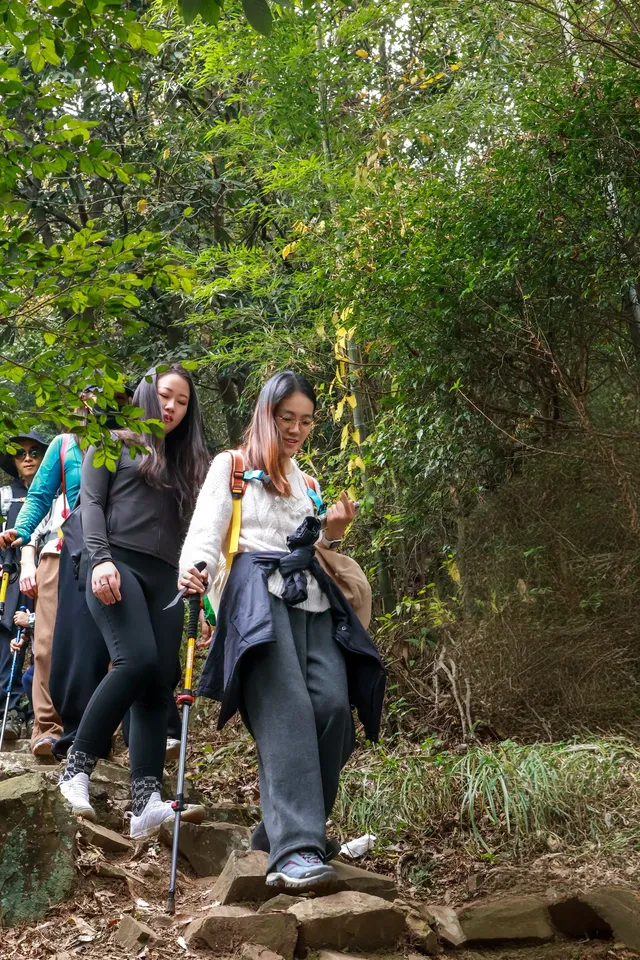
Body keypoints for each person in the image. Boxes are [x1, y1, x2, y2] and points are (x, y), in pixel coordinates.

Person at [178, 371, 386, 891]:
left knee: (334, 710)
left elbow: (314, 548)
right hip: (254, 602)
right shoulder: (233, 467)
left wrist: (332, 533)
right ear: (266, 415)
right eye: (286, 417)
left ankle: (283, 829)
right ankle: (295, 852)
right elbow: (206, 530)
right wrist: (196, 570)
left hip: (312, 604)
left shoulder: (308, 482)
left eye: (305, 421)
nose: (295, 429)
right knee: (287, 709)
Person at [57, 363, 210, 839]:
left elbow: (198, 535)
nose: (172, 408)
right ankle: (76, 769)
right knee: (136, 659)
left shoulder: (188, 464)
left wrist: (203, 604)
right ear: (148, 393)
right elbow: (92, 506)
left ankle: (145, 801)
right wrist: (100, 559)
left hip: (168, 577)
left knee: (159, 681)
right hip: (115, 562)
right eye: (166, 396)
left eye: (182, 402)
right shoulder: (112, 442)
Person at [0, 430, 48, 739]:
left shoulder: (55, 490)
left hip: (52, 571)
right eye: (21, 454)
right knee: (9, 637)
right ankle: (12, 710)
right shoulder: (5, 495)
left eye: (34, 452)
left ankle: (44, 711)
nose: (28, 458)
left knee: (47, 639)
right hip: (12, 574)